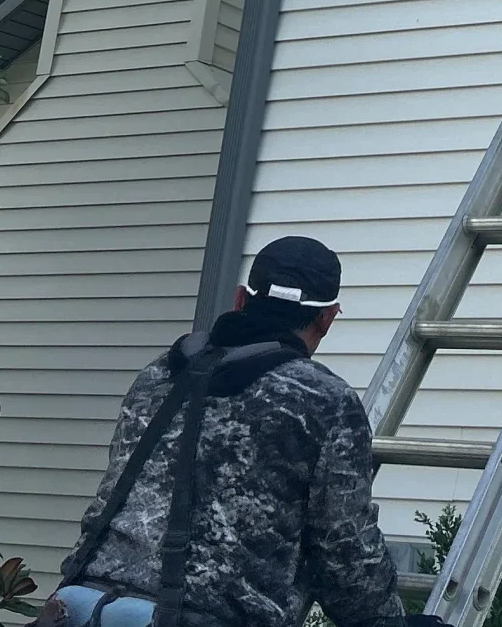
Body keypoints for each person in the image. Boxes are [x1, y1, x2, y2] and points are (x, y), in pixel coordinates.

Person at [45, 236, 409, 627]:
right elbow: (344, 554)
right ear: (327, 319)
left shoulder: (155, 377)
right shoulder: (326, 401)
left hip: (80, 607)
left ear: (240, 300)